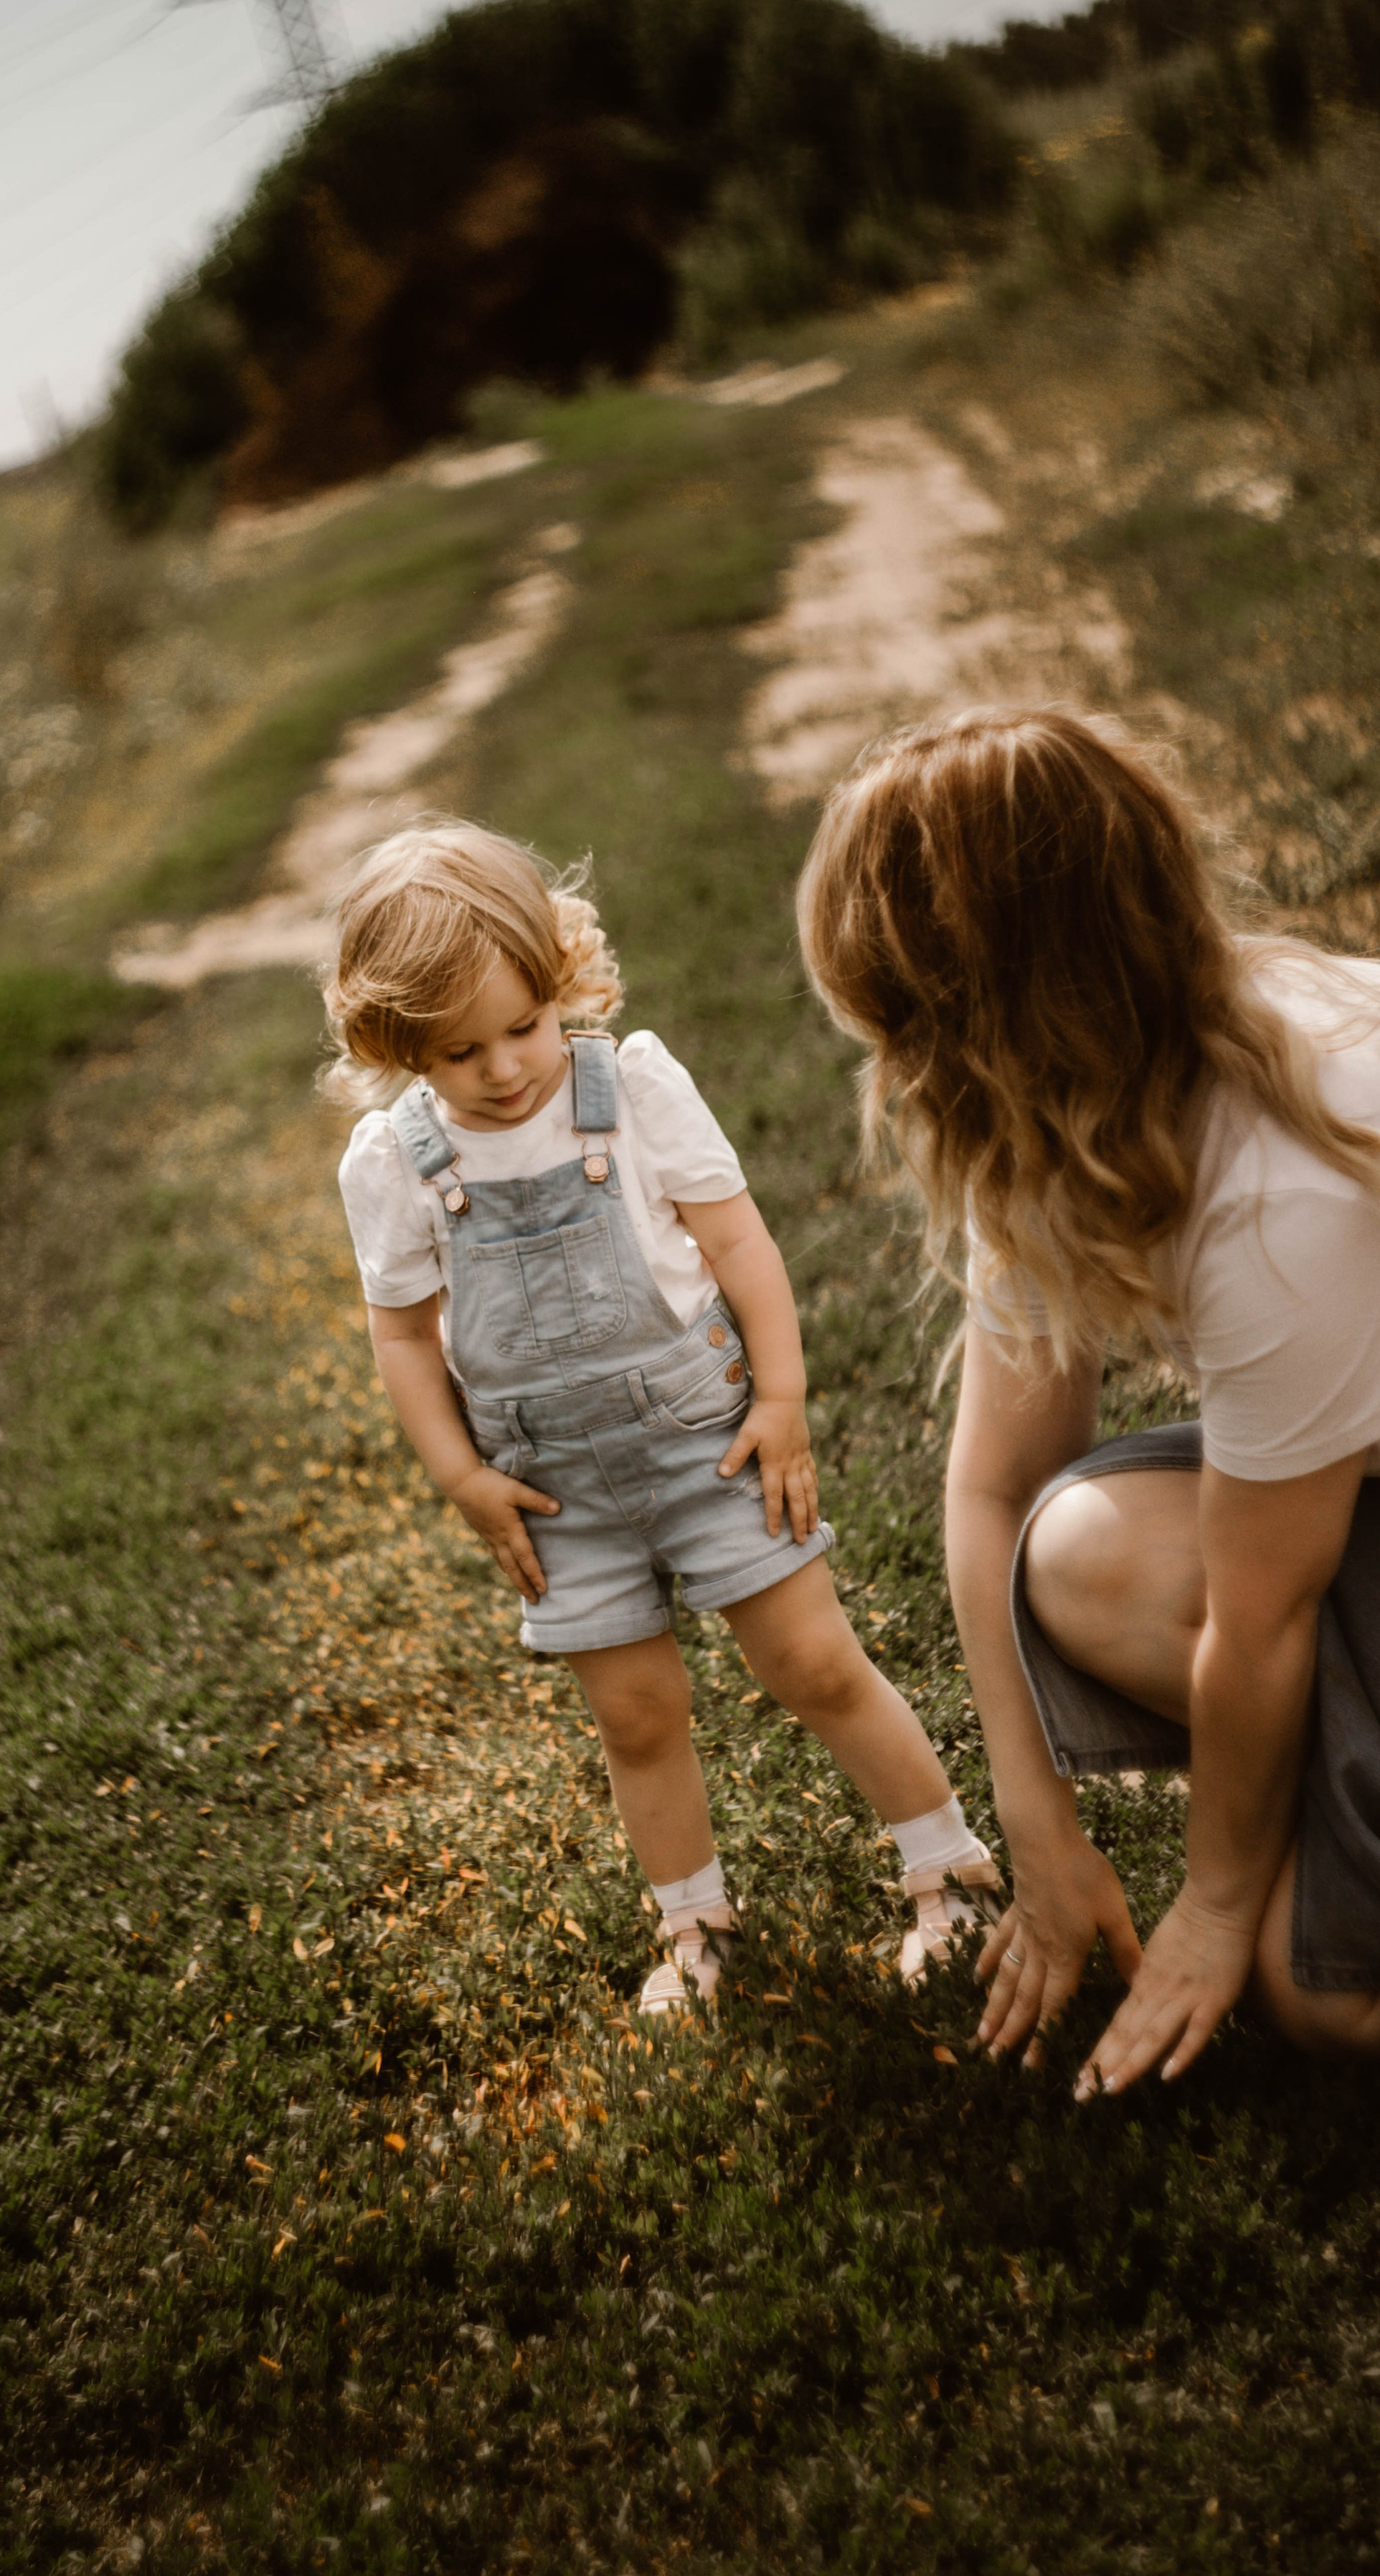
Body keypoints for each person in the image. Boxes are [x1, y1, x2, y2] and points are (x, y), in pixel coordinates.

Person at [798, 702, 1380, 2098]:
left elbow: (1264, 1611)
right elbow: (996, 1484)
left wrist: (1216, 1907)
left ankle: (1359, 1811)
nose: (900, 1075)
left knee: (1324, 2000)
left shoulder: (1294, 1180)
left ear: (991, 1014)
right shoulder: (1067, 1098)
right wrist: (1036, 1827)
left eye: (909, 1028)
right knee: (1077, 1555)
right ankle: (1373, 1790)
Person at [325, 818, 1001, 2014]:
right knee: (636, 1715)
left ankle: (950, 1870)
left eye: (525, 1025)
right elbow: (403, 1337)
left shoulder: (630, 1089)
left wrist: (781, 1398)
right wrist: (462, 1477)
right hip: (553, 1487)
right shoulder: (395, 1161)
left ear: (557, 977)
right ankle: (696, 1928)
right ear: (398, 1045)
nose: (504, 1068)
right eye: (460, 1051)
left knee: (811, 1660)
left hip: (707, 1438)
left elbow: (738, 1242)